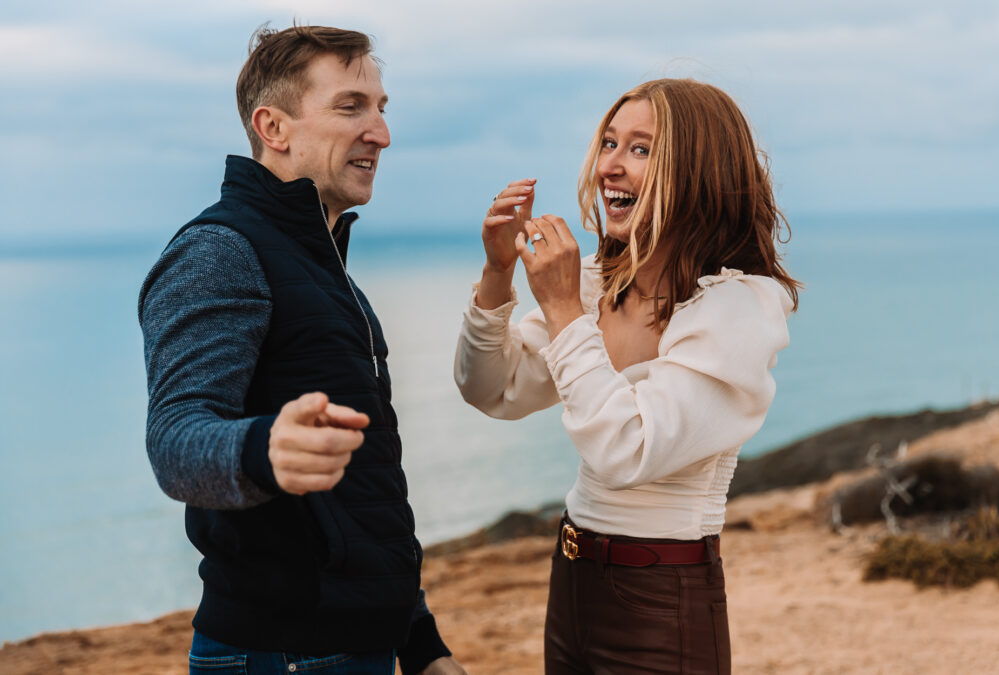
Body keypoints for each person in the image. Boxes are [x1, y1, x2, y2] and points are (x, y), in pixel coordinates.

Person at [138, 25, 465, 675]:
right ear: (273, 127)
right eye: (351, 107)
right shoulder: (220, 250)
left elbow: (367, 493)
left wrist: (420, 641)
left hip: (358, 646)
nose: (381, 133)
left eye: (381, 109)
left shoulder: (328, 272)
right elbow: (175, 440)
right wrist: (264, 448)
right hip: (280, 653)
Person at [454, 78, 800, 673]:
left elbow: (627, 449)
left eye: (641, 150)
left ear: (697, 172)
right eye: (609, 144)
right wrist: (497, 272)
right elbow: (490, 389)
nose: (611, 166)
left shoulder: (736, 308)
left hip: (662, 600)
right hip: (571, 582)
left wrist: (563, 311)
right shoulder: (597, 283)